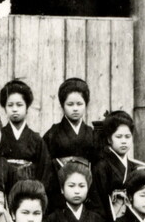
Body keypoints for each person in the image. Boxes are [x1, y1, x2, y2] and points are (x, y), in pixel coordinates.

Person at [41, 77, 101, 212]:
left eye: (79, 104)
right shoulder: (53, 133)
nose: (75, 109)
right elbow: (46, 168)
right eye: (70, 104)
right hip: (58, 191)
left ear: (86, 105)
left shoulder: (92, 134)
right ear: (62, 105)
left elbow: (97, 168)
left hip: (86, 191)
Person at [0, 78, 46, 185]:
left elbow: (44, 173)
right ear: (5, 108)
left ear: (27, 107)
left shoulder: (36, 139)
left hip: (30, 190)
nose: (14, 109)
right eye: (10, 105)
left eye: (19, 105)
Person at [92, 110, 136, 222]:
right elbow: (98, 203)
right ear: (109, 139)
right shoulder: (102, 166)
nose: (124, 141)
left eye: (127, 136)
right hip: (108, 221)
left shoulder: (132, 166)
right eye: (119, 137)